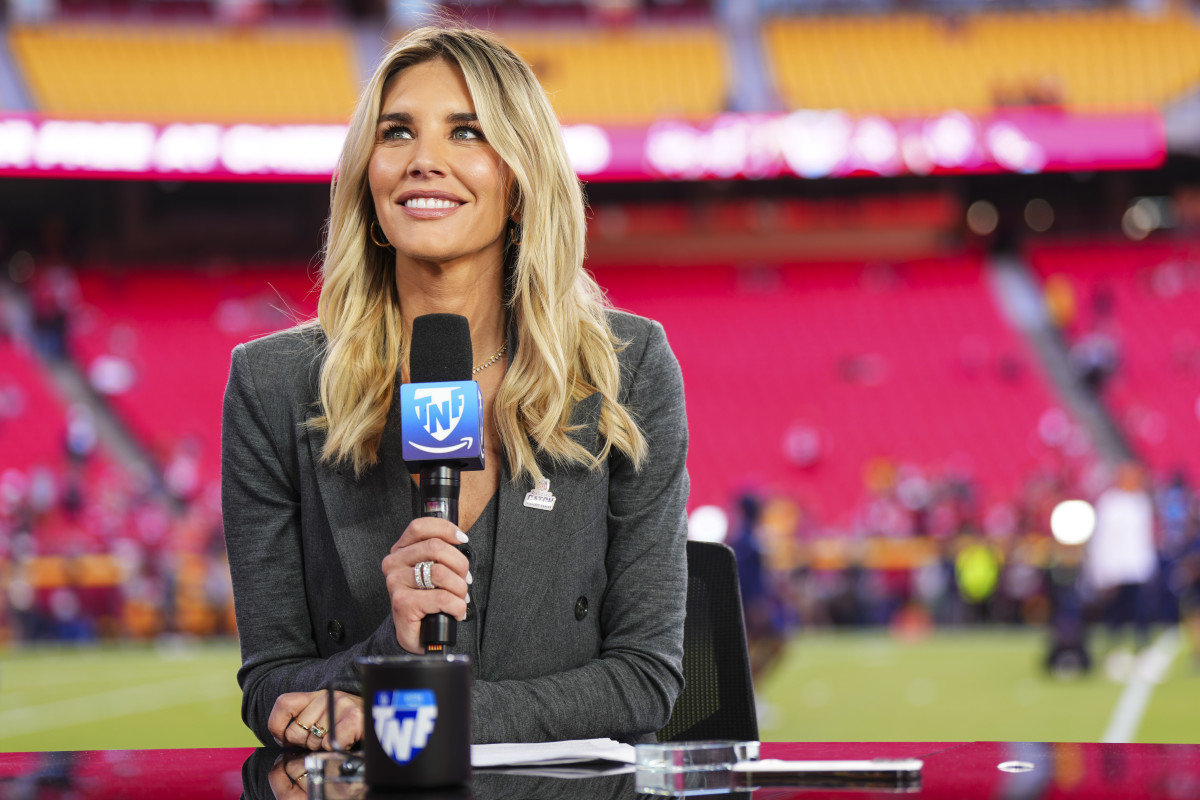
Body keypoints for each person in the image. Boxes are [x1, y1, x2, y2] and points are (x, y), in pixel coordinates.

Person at [221, 25, 689, 750]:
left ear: (520, 177)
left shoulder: (628, 366)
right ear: (366, 173)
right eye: (397, 132)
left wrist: (420, 714)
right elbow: (271, 686)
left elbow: (644, 680)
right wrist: (389, 647)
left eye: (467, 133)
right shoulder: (273, 385)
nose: (424, 161)